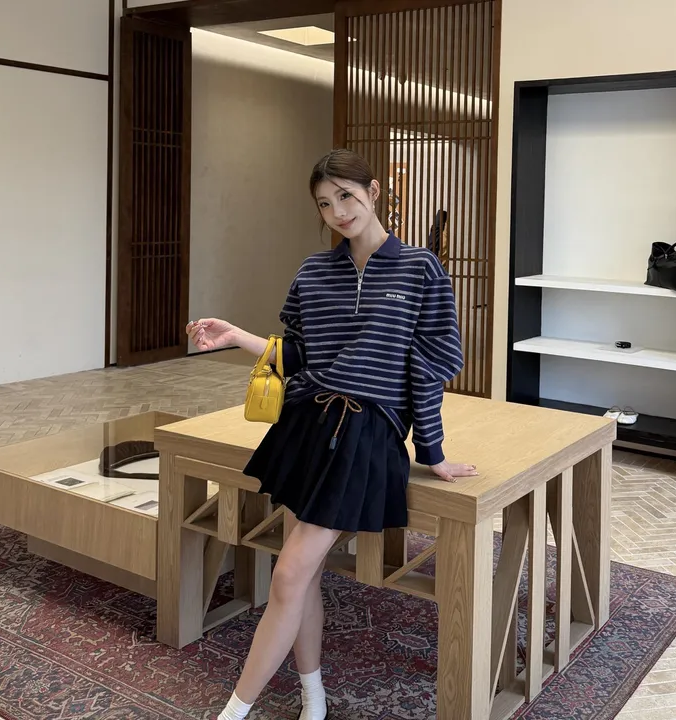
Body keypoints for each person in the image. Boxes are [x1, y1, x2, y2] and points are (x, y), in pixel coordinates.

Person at [186, 149, 478, 720]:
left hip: (367, 434)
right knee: (303, 574)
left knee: (290, 572)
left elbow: (429, 367)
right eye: (325, 203)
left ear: (374, 191)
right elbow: (298, 353)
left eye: (346, 196)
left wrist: (433, 451)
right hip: (307, 427)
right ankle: (313, 698)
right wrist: (237, 337)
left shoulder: (419, 268)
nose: (339, 211)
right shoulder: (314, 272)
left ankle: (234, 712)